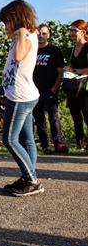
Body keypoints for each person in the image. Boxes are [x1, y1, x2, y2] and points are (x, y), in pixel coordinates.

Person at [0, 0, 43, 196]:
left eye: (7, 22)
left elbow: (18, 57)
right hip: (22, 94)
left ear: (17, 18)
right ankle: (28, 178)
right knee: (27, 139)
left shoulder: (27, 35)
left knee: (9, 139)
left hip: (20, 96)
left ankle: (32, 179)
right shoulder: (22, 37)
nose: (5, 27)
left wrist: (21, 34)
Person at [33, 24, 68, 153]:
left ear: (49, 35)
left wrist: (55, 88)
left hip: (50, 89)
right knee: (39, 118)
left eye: (44, 33)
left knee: (53, 116)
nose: (41, 36)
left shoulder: (54, 50)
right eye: (39, 33)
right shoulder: (32, 50)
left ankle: (58, 143)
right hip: (34, 90)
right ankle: (44, 144)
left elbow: (60, 71)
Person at [63, 19, 88, 150]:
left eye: (75, 30)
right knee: (76, 116)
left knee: (87, 115)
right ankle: (80, 145)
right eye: (70, 30)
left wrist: (74, 71)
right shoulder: (73, 48)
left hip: (85, 88)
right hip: (74, 87)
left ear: (83, 32)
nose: (71, 33)